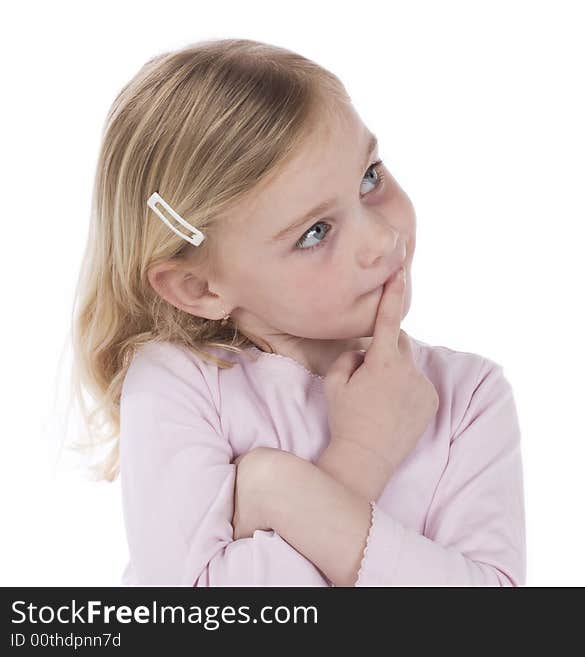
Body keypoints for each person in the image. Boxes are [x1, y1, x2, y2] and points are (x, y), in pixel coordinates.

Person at [69, 38, 526, 586]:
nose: (380, 240)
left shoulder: (466, 396)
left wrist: (278, 492)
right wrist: (361, 456)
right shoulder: (181, 386)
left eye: (369, 178)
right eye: (315, 232)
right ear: (198, 286)